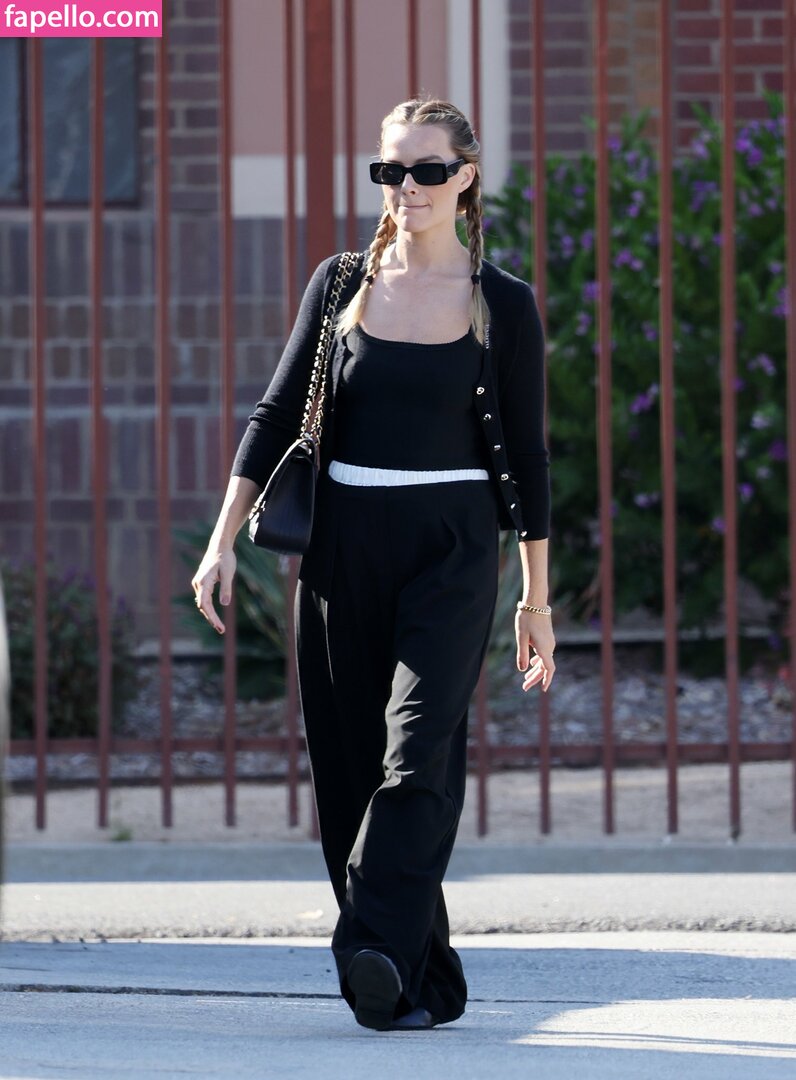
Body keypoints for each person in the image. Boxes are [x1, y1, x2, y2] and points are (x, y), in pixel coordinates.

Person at [192, 97, 555, 1032]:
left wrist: (536, 601)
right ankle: (418, 977)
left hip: (452, 547)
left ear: (465, 177)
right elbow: (276, 415)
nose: (408, 187)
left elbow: (529, 458)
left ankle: (371, 945)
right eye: (391, 170)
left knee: (416, 747)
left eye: (428, 170)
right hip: (343, 543)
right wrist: (222, 538)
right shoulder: (341, 284)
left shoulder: (504, 303)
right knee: (350, 763)